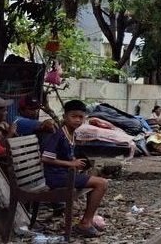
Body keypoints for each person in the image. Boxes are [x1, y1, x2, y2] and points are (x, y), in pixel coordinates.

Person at [40, 100, 109, 238]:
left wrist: (73, 161)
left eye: (81, 117)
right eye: (74, 116)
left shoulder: (71, 133)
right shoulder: (58, 135)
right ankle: (85, 224)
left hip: (64, 174)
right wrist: (71, 164)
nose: (77, 120)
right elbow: (45, 158)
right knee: (102, 183)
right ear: (65, 117)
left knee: (97, 180)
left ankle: (87, 220)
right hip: (55, 176)